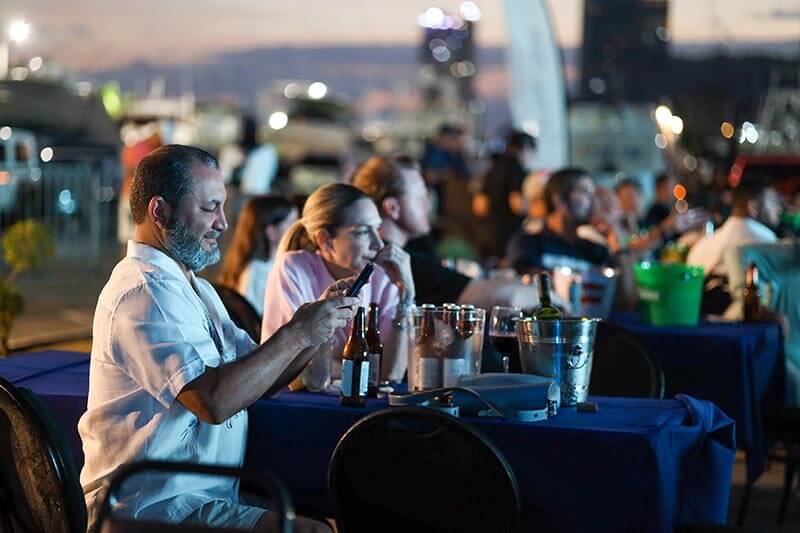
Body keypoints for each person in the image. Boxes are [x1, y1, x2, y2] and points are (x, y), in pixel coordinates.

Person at [78, 145, 347, 532]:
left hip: (200, 496)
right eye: (210, 208)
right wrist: (298, 332)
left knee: (315, 514)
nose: (223, 223)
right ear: (160, 212)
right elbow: (213, 402)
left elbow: (267, 377)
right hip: (149, 505)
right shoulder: (144, 290)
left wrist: (318, 325)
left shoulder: (194, 286)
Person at [261, 183, 414, 390]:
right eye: (362, 232)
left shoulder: (382, 277)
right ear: (325, 240)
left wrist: (406, 298)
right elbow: (298, 367)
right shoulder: (294, 268)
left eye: (377, 229)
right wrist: (367, 370)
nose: (378, 244)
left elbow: (390, 374)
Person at [351, 155, 550, 310]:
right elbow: (503, 297)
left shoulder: (374, 255)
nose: (428, 205)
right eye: (421, 197)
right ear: (392, 207)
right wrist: (551, 298)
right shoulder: (394, 262)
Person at [506, 167, 639, 309]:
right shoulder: (529, 242)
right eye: (585, 192)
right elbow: (528, 289)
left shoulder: (594, 250)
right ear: (560, 200)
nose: (593, 202)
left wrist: (615, 235)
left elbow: (626, 299)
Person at [687, 179, 782, 319]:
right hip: (749, 323)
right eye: (772, 202)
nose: (778, 209)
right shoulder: (766, 241)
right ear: (752, 205)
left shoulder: (702, 245)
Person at [217, 195, 298, 316]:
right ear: (272, 231)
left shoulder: (276, 267)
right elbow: (251, 319)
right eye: (291, 222)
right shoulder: (258, 271)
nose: (296, 228)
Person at [473, 130, 536, 259]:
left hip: (489, 234)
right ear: (526, 148)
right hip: (511, 236)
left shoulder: (493, 169)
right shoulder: (517, 169)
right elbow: (517, 204)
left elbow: (479, 206)